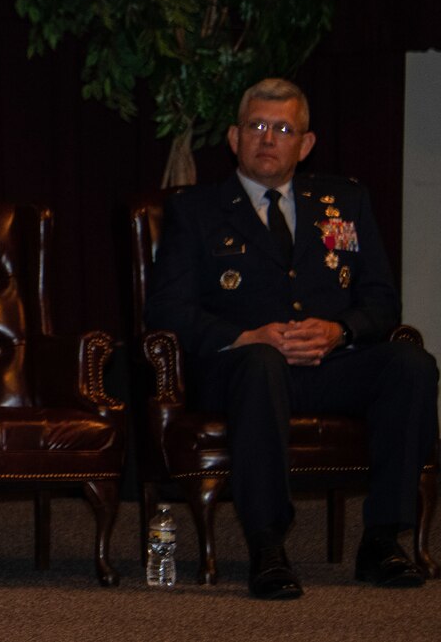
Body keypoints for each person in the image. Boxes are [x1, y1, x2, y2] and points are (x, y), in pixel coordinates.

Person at [146, 78, 436, 599]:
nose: (268, 139)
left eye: (283, 129)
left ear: (305, 144)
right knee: (260, 363)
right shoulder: (197, 211)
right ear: (234, 138)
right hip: (241, 373)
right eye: (257, 126)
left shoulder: (345, 202)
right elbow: (167, 308)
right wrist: (247, 335)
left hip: (329, 366)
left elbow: (381, 301)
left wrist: (340, 329)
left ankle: (382, 540)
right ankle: (267, 546)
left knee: (411, 364)